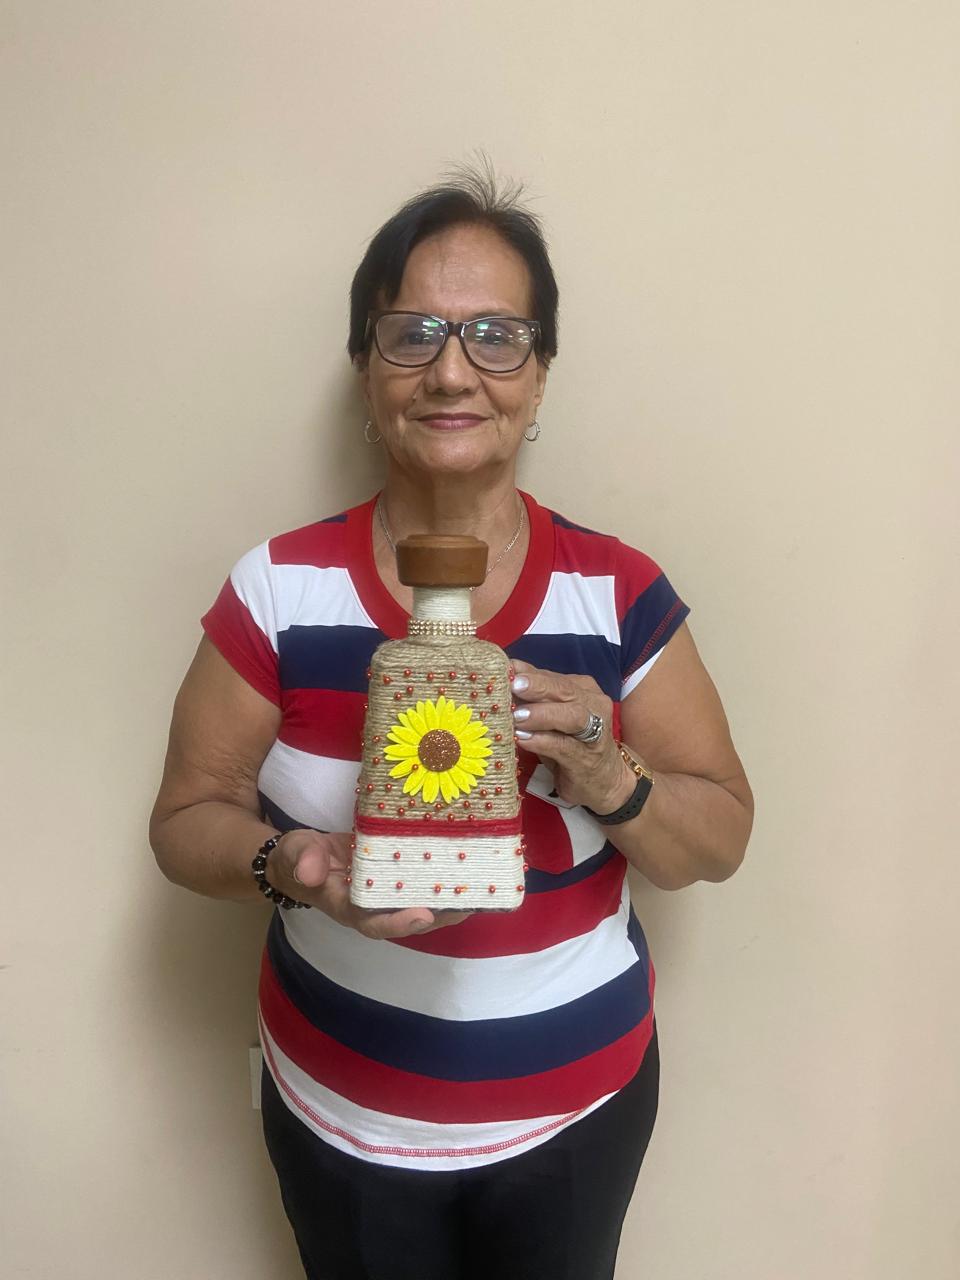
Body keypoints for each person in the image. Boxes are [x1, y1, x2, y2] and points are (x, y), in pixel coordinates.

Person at [150, 168, 754, 1280]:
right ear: (366, 367)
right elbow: (186, 819)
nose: (451, 369)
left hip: (574, 1118)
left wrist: (607, 771)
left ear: (541, 372)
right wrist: (300, 866)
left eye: (496, 335)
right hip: (340, 1116)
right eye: (412, 332)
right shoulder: (279, 589)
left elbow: (717, 841)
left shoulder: (616, 593)